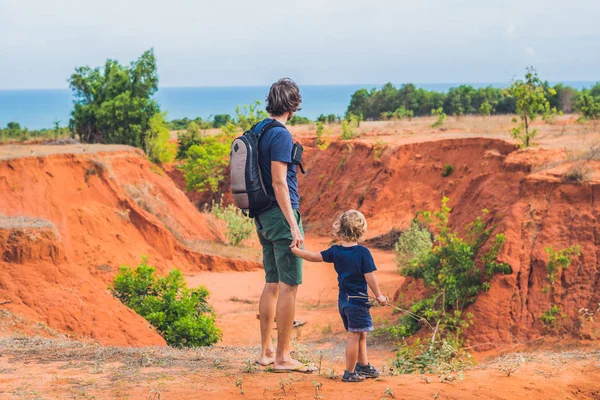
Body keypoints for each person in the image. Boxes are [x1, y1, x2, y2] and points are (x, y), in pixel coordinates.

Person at [254, 78, 315, 373]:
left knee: (272, 282)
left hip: (262, 216)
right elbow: (279, 181)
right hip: (281, 215)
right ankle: (282, 357)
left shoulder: (258, 130)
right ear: (293, 106)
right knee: (290, 286)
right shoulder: (280, 135)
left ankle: (266, 352)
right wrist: (293, 224)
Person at [291, 210, 387, 382]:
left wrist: (297, 251)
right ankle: (349, 372)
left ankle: (363, 366)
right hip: (357, 303)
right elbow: (370, 277)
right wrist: (379, 295)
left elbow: (314, 257)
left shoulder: (336, 251)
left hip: (344, 302)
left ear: (340, 228)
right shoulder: (363, 253)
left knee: (360, 333)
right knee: (354, 335)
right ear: (361, 229)